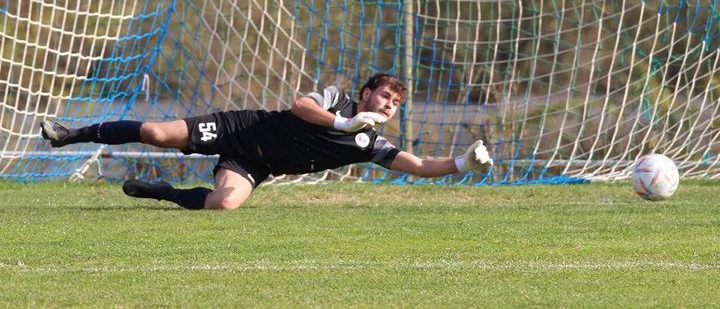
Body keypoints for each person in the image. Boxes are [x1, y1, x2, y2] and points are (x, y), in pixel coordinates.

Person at [40, 72, 494, 210]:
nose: (390, 104)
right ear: (365, 94)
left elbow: (416, 165)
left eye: (396, 102)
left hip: (255, 165)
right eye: (385, 95)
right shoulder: (336, 100)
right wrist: (340, 125)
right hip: (245, 128)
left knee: (224, 206)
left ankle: (160, 193)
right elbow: (300, 106)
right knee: (158, 133)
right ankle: (72, 134)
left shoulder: (370, 145)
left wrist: (461, 164)